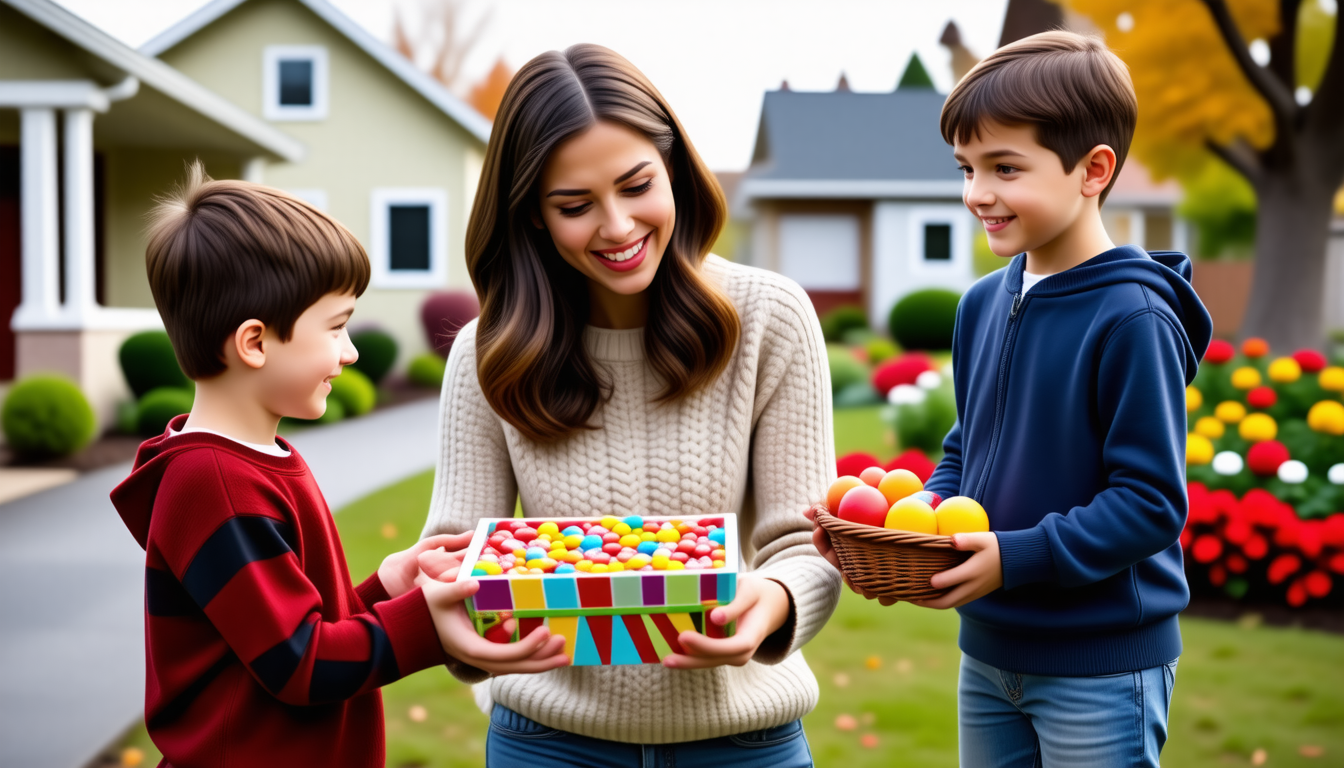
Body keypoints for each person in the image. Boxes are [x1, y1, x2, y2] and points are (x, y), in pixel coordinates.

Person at [419, 43, 841, 767]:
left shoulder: (771, 318)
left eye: (637, 185)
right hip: (548, 744)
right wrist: (451, 621)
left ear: (674, 169)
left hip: (742, 744)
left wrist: (768, 606)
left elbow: (804, 544)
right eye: (575, 206)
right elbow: (454, 557)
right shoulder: (488, 351)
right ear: (534, 218)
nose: (616, 227)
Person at [815, 31, 1212, 767]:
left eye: (1004, 167)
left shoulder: (1133, 318)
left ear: (1093, 170)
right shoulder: (981, 304)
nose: (976, 194)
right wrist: (917, 530)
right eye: (966, 168)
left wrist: (1015, 556)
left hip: (1102, 662)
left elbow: (1151, 502)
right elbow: (969, 446)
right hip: (991, 652)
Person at [110, 165, 567, 768]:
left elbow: (290, 630)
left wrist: (388, 587)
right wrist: (425, 625)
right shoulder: (215, 483)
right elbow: (301, 665)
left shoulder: (252, 463)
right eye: (336, 326)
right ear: (255, 343)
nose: (350, 351)